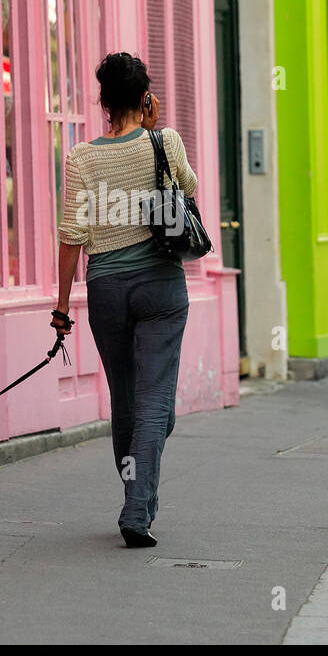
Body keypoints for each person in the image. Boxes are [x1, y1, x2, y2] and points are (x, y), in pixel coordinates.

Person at [50, 52, 197, 549]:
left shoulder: (81, 158)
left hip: (107, 289)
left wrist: (62, 306)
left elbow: (72, 235)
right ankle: (138, 507)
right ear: (144, 97)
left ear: (103, 102)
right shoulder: (166, 141)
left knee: (128, 402)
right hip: (161, 285)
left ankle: (137, 496)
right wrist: (154, 132)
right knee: (155, 406)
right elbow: (191, 188)